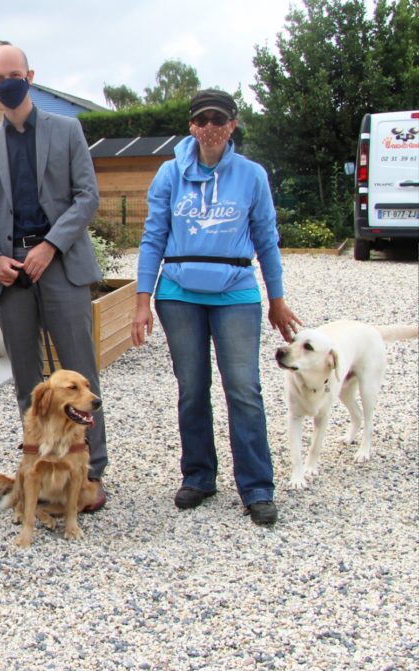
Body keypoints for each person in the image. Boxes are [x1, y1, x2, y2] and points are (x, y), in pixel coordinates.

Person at [130, 89, 301, 526]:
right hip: (179, 294)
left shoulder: (252, 175)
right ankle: (199, 475)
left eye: (219, 120)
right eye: (202, 120)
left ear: (232, 125)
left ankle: (257, 486)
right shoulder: (169, 175)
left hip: (236, 292)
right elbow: (153, 237)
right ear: (191, 126)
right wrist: (142, 300)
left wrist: (277, 300)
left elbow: (267, 240)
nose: (210, 127)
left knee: (244, 389)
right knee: (192, 388)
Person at [0, 44, 108, 510]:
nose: (6, 82)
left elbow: (87, 196)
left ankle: (90, 472)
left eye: (14, 74)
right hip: (11, 275)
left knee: (80, 373)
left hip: (61, 263)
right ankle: (38, 466)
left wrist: (51, 245)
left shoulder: (67, 130)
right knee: (28, 378)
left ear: (29, 76)